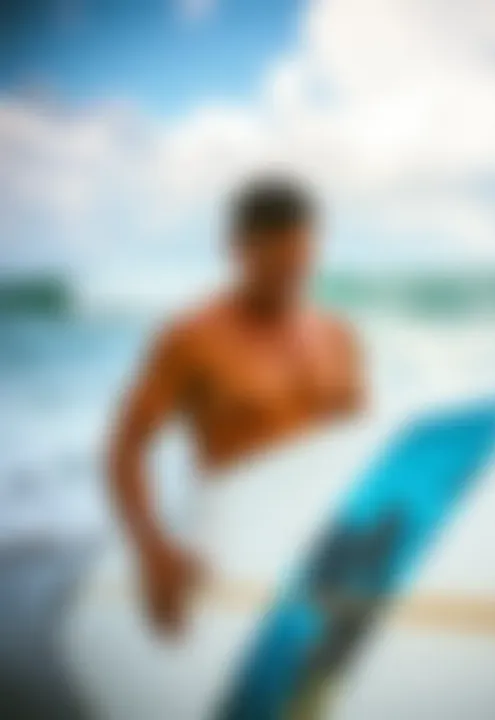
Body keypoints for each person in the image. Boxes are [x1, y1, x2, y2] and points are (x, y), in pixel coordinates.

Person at [107, 176, 364, 636]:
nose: (292, 279)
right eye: (278, 265)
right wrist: (153, 551)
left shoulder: (337, 337)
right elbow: (126, 447)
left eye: (301, 263)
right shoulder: (193, 338)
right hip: (239, 545)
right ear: (239, 249)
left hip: (320, 540)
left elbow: (360, 448)